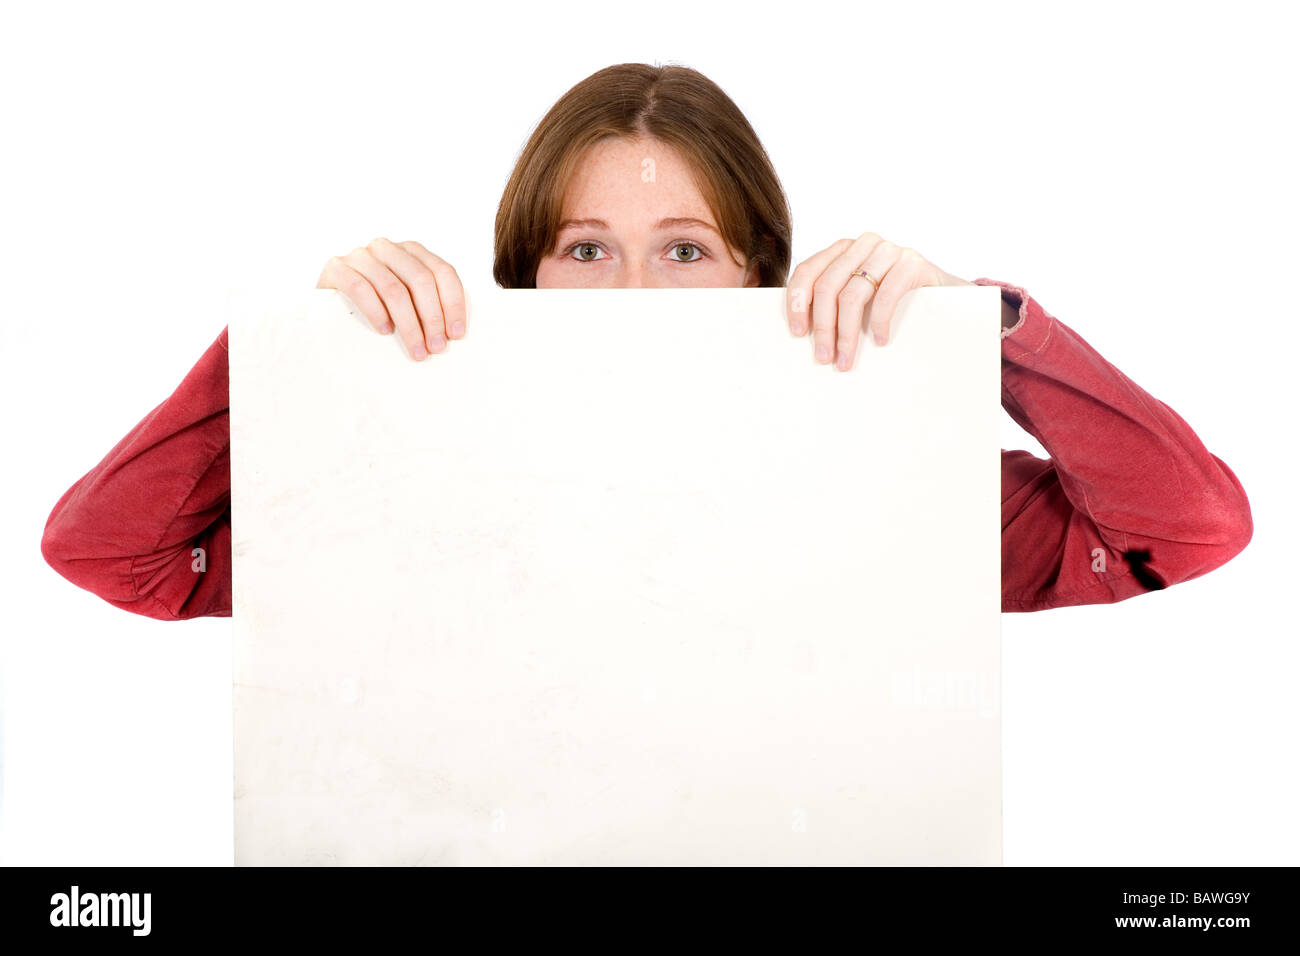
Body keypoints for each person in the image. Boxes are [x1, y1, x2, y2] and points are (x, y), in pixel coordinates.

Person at [40, 62, 1252, 619]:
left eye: (683, 249)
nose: (630, 292)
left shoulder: (893, 498)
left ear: (757, 274)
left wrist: (974, 328)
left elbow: (1184, 532)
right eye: (583, 250)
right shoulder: (404, 498)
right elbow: (114, 556)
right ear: (521, 275)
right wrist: (291, 352)